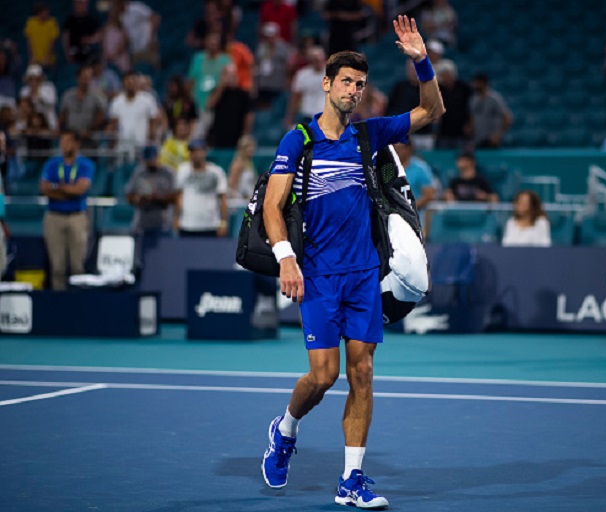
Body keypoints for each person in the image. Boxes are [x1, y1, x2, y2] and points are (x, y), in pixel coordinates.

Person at [260, 15, 444, 508]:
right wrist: (284, 259)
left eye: (360, 84)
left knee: (361, 372)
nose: (354, 90)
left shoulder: (369, 135)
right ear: (326, 84)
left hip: (364, 275)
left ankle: (351, 480)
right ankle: (286, 427)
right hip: (318, 275)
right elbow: (273, 208)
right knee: (322, 377)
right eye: (345, 81)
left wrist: (421, 61)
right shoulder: (298, 140)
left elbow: (432, 110)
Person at [39, 130, 95, 290]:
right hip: (53, 217)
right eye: (62, 141)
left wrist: (56, 188)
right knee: (57, 267)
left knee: (77, 266)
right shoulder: (51, 164)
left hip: (76, 217)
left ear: (77, 144)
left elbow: (80, 189)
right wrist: (68, 190)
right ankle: (59, 303)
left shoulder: (86, 164)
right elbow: (44, 188)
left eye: (68, 141)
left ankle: (78, 302)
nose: (64, 145)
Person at [173, 138, 228, 237]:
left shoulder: (216, 172)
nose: (196, 155)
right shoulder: (182, 170)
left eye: (199, 151)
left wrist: (223, 222)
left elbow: (223, 199)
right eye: (193, 151)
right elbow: (179, 197)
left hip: (210, 225)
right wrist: (176, 218)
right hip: (187, 224)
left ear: (204, 152)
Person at [187, 30, 231, 137]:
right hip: (197, 101)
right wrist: (190, 99)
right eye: (210, 42)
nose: (213, 45)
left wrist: (214, 97)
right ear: (206, 42)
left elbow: (226, 81)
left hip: (217, 102)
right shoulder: (198, 58)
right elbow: (191, 80)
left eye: (215, 43)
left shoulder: (225, 60)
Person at [125, 145, 176, 236]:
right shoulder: (139, 173)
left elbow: (174, 197)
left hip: (163, 222)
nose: (150, 162)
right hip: (142, 222)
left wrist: (157, 197)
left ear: (158, 157)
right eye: (147, 160)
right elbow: (129, 196)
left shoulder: (167, 173)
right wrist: (138, 199)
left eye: (152, 159)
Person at [108, 71, 160, 155]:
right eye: (128, 81)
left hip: (142, 146)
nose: (130, 84)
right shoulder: (117, 102)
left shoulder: (148, 100)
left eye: (133, 81)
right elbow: (113, 125)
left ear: (137, 83)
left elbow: (153, 123)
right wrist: (112, 144)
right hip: (122, 147)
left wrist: (150, 141)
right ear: (123, 83)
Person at [58, 64, 106, 148]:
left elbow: (100, 117)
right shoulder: (68, 95)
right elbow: (62, 117)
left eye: (88, 78)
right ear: (78, 78)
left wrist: (90, 130)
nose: (86, 81)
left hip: (88, 137)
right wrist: (64, 133)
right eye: (84, 77)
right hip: (71, 137)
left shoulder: (96, 96)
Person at [206, 64, 254, 148]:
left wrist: (245, 134)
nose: (229, 78)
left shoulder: (242, 94)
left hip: (236, 135)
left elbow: (249, 116)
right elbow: (210, 106)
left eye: (231, 75)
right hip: (218, 135)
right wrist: (221, 86)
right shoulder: (217, 91)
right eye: (226, 75)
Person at [284, 46, 327, 128]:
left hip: (325, 115)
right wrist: (290, 116)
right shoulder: (302, 75)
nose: (318, 62)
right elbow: (295, 97)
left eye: (319, 59)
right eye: (315, 60)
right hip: (307, 114)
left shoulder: (332, 75)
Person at [434, 60, 471, 149]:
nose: (445, 77)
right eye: (443, 75)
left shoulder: (464, 89)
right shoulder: (438, 89)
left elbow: (472, 108)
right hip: (444, 131)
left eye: (447, 74)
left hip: (461, 131)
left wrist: (469, 124)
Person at [469, 71, 511, 149]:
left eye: (476, 83)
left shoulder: (495, 98)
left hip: (492, 139)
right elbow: (473, 117)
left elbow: (507, 118)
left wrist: (498, 134)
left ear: (483, 83)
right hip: (477, 138)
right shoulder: (473, 99)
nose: (474, 85)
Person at [114, 0, 160, 69]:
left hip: (147, 47)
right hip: (134, 51)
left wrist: (152, 38)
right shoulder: (120, 17)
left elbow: (155, 18)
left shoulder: (136, 8)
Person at [19, 64, 57, 131]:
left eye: (36, 79)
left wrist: (38, 93)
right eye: (31, 79)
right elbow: (23, 107)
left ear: (40, 78)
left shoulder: (49, 87)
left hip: (48, 123)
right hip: (30, 125)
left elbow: (51, 102)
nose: (34, 81)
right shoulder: (24, 90)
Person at [62, 0, 101, 65]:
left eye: (84, 3)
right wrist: (67, 53)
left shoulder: (91, 20)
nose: (82, 5)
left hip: (88, 53)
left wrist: (89, 40)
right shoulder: (69, 20)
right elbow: (65, 38)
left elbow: (100, 35)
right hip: (74, 53)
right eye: (79, 3)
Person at [24, 2, 60, 69]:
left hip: (49, 61)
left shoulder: (52, 22)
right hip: (35, 60)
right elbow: (29, 41)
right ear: (39, 12)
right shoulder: (31, 22)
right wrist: (32, 56)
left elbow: (52, 42)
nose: (47, 13)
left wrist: (46, 57)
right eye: (45, 12)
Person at [101, 4, 131, 73]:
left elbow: (123, 46)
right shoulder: (105, 29)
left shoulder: (123, 30)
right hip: (107, 59)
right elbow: (104, 45)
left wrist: (114, 55)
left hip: (119, 60)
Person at [227, 134, 257, 202]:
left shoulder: (250, 164)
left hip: (249, 201)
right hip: (239, 202)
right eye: (247, 147)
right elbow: (231, 188)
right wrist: (242, 197)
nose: (250, 149)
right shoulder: (237, 165)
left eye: (252, 146)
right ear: (241, 149)